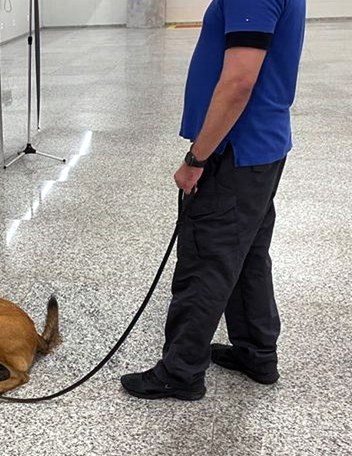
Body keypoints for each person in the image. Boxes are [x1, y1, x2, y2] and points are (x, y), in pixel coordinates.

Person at [121, 0, 307, 400]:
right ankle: (256, 352)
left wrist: (197, 158)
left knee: (207, 260)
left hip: (234, 151)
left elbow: (239, 81)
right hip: (261, 147)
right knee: (247, 255)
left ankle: (181, 371)